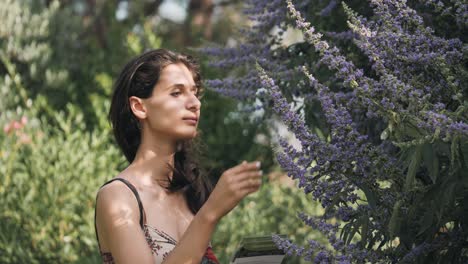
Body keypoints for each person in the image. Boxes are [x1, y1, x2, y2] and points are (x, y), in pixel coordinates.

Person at [94, 49, 263, 264]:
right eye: (176, 93)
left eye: (194, 92)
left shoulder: (189, 193)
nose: (195, 103)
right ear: (139, 107)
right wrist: (210, 213)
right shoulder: (118, 197)